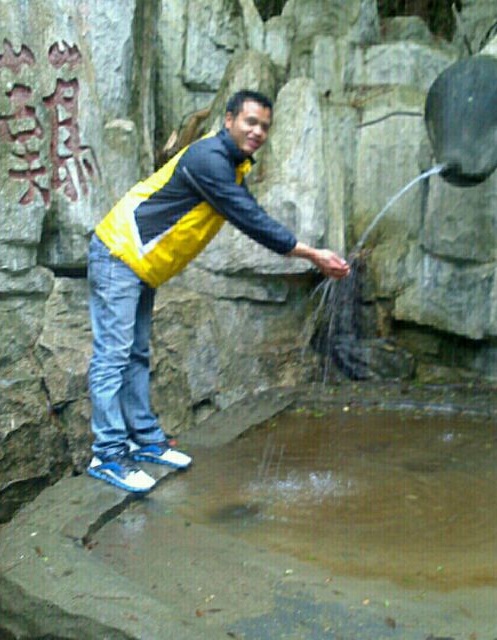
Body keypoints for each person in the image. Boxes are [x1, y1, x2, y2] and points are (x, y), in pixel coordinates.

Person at [86, 89, 350, 493]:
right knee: (113, 356)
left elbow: (248, 211)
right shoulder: (209, 159)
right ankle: (107, 453)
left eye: (265, 126)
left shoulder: (230, 164)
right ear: (229, 120)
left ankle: (143, 439)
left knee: (135, 354)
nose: (258, 132)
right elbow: (251, 219)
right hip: (118, 254)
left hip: (140, 264)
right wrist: (312, 254)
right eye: (250, 122)